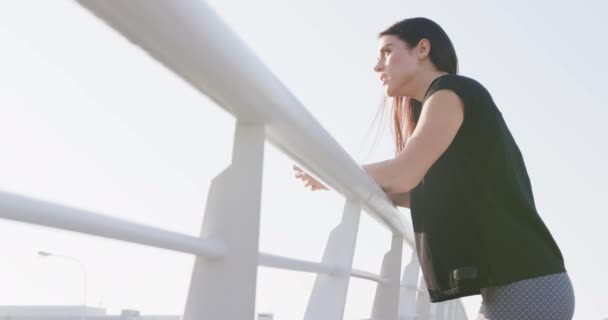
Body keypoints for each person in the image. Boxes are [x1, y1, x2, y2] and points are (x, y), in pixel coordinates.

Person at [293, 17, 574, 320]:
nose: (378, 66)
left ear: (422, 48)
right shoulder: (447, 100)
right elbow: (421, 194)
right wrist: (342, 183)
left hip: (526, 287)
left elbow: (402, 175)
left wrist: (334, 171)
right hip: (525, 284)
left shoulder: (449, 92)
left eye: (387, 51)